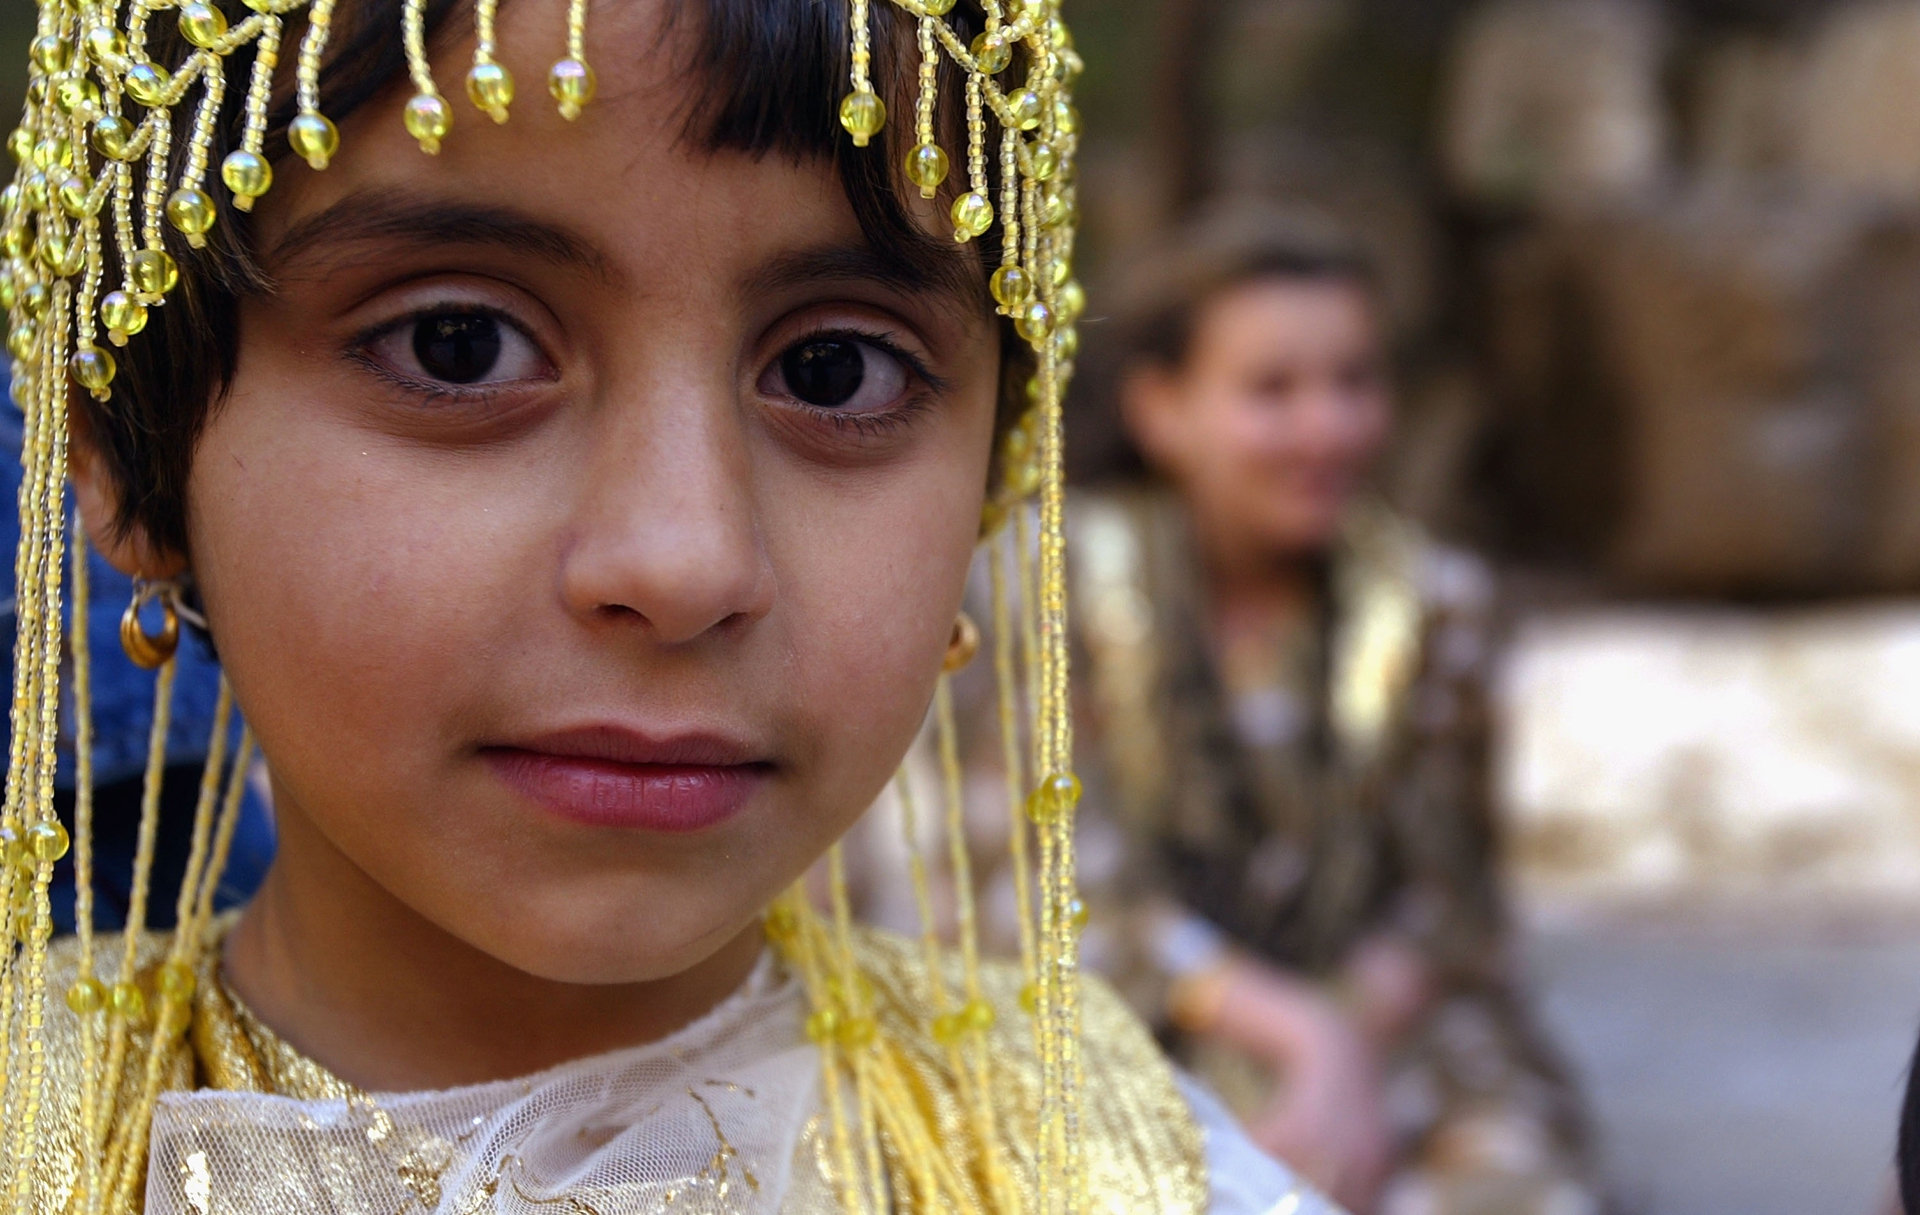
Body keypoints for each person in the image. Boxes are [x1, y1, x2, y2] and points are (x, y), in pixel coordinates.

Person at [0, 3, 1337, 1213]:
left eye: (835, 369)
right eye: (458, 344)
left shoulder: (1135, 1174)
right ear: (123, 450)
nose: (685, 562)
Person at [1058, 206, 1596, 1214]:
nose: (1328, 428)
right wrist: (1297, 1038)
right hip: (1123, 1021)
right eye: (1273, 390)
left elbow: (1449, 900)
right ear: (1161, 410)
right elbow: (1050, 893)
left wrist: (1343, 1045)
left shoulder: (1437, 604)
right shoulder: (1053, 593)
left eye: (1354, 382)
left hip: (1386, 1023)